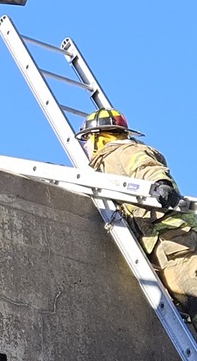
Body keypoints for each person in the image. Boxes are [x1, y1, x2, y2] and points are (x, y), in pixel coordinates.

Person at [78, 108, 197, 319]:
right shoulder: (105, 168)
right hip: (166, 249)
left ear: (98, 137)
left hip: (177, 243)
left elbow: (144, 165)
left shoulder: (121, 151)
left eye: (86, 140)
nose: (85, 147)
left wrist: (159, 183)